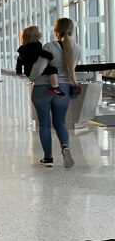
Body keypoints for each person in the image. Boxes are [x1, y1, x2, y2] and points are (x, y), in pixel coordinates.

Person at [29, 18, 81, 168]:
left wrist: (30, 77)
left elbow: (39, 68)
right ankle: (65, 147)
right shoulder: (77, 48)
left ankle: (48, 158)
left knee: (44, 124)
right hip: (63, 88)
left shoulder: (49, 46)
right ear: (72, 30)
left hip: (42, 88)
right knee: (60, 122)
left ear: (55, 30)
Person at [16, 25, 63, 96]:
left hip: (27, 71)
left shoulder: (23, 48)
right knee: (53, 69)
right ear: (36, 36)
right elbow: (41, 52)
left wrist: (18, 71)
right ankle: (54, 87)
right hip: (34, 69)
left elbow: (19, 60)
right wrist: (50, 56)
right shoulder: (35, 46)